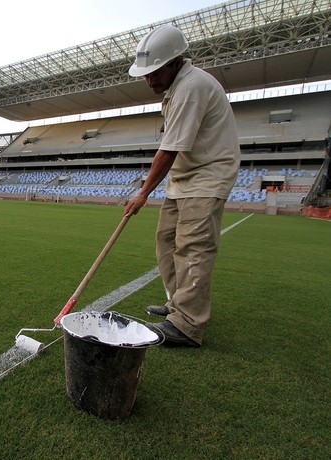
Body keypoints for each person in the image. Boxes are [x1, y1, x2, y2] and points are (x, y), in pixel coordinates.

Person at [123, 24, 241, 347]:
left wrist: (143, 193)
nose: (150, 80)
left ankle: (188, 324)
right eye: (145, 75)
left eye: (155, 72)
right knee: (166, 240)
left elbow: (169, 149)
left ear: (175, 62)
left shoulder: (192, 87)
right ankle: (179, 305)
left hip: (207, 176)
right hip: (186, 177)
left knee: (193, 244)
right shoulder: (174, 89)